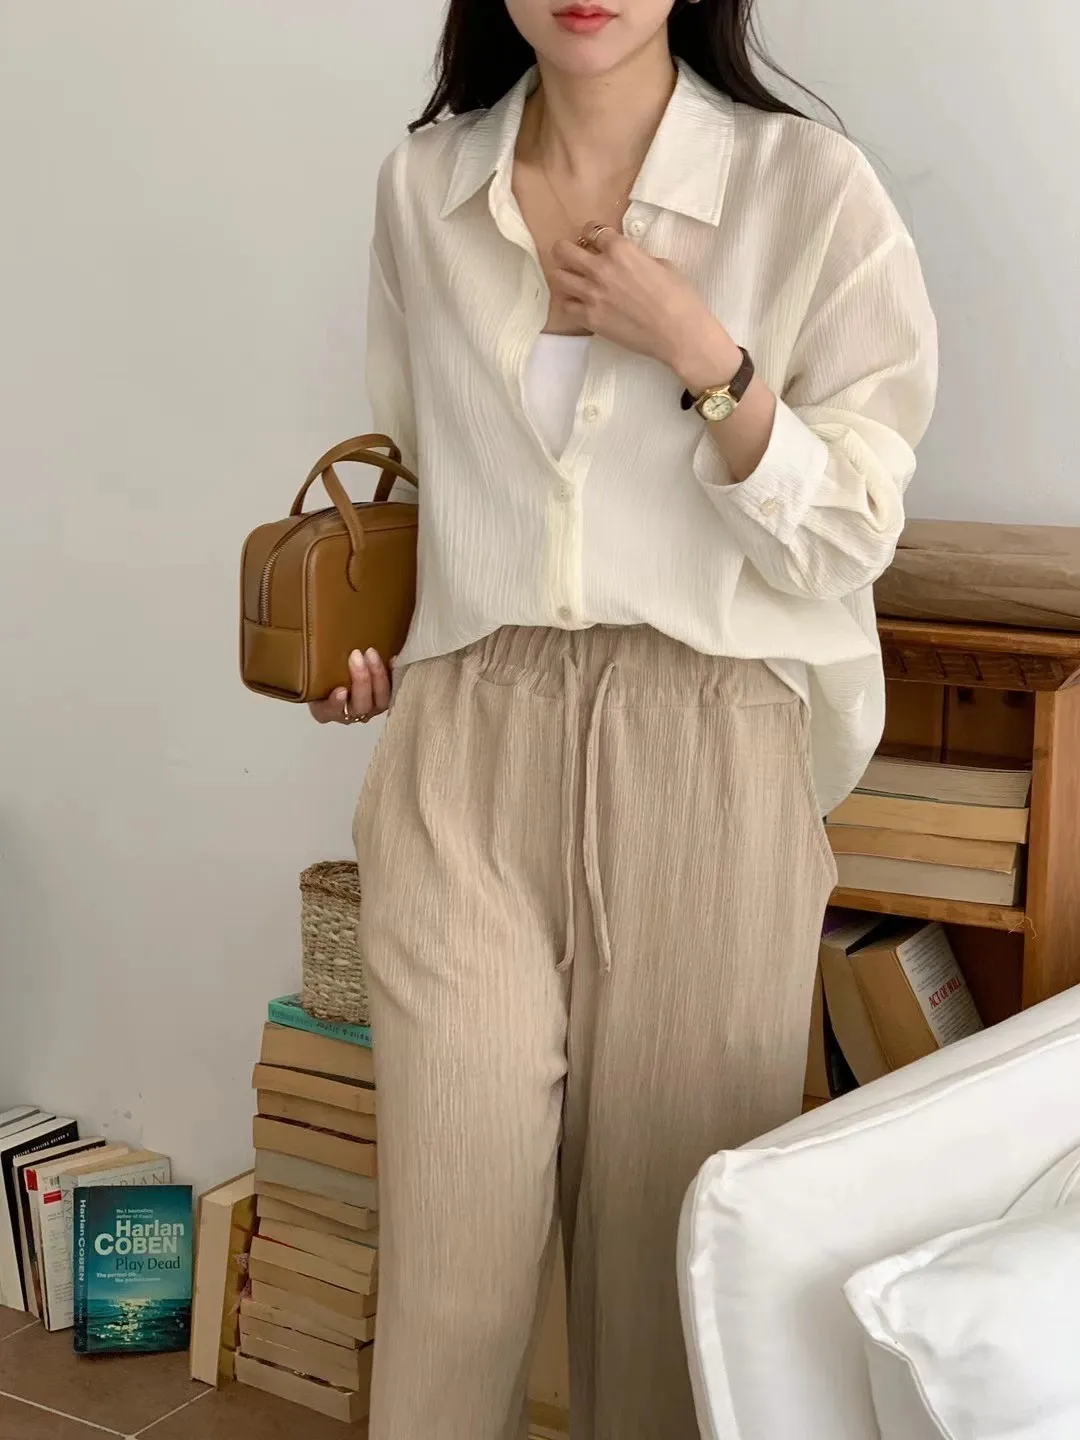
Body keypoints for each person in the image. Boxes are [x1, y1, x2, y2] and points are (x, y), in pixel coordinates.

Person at [311, 1, 937, 1435]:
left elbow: (852, 536)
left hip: (707, 749)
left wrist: (705, 356)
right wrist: (376, 636)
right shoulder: (425, 188)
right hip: (465, 743)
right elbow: (424, 471)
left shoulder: (807, 189)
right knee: (448, 1270)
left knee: (667, 1276)